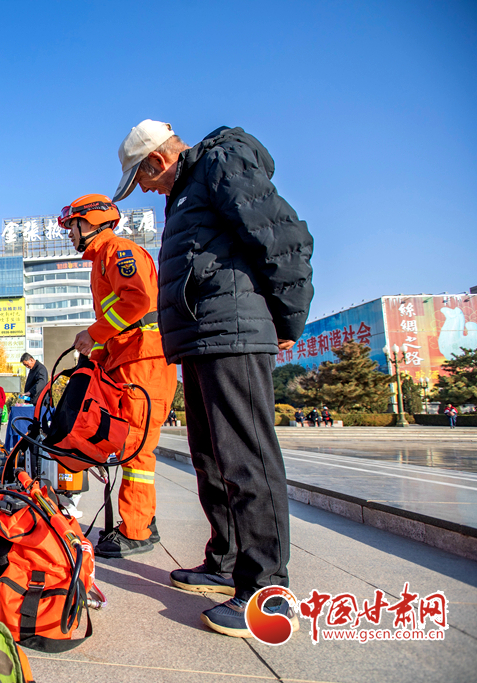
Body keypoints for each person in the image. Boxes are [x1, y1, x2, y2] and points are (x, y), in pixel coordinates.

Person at [113, 119, 313, 636]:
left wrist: (286, 321)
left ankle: (268, 592)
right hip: (203, 338)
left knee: (247, 459)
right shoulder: (187, 187)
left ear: (156, 161)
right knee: (210, 456)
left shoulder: (221, 164)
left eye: (143, 180)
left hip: (234, 334)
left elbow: (282, 239)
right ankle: (225, 560)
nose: (146, 191)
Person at [61, 194, 177, 559]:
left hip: (143, 360)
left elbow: (137, 303)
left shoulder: (118, 251)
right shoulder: (104, 259)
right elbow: (118, 323)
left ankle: (136, 531)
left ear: (92, 222)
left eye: (72, 226)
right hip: (130, 358)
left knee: (135, 449)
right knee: (131, 446)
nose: (69, 233)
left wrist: (93, 334)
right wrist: (94, 357)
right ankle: (141, 520)